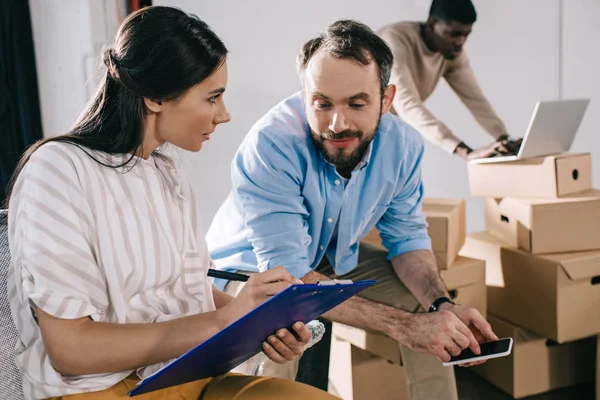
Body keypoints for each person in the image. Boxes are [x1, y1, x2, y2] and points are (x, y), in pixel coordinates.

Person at [5, 6, 341, 400]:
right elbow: (70, 350)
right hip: (101, 391)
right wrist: (224, 320)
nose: (224, 114)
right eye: (212, 97)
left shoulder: (167, 171)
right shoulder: (58, 169)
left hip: (186, 378)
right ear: (155, 96)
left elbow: (187, 289)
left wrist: (263, 319)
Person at [206, 19, 499, 400]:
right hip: (251, 269)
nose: (337, 123)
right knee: (283, 323)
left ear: (387, 99)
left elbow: (407, 240)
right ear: (306, 94)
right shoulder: (271, 144)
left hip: (328, 254)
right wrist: (405, 327)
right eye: (322, 104)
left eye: (357, 104)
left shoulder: (404, 147)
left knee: (429, 313)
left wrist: (442, 305)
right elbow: (288, 276)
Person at [377, 0, 521, 159]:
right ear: (432, 25)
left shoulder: (451, 52)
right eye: (453, 34)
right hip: (360, 129)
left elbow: (475, 99)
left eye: (466, 35)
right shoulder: (394, 40)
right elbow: (408, 105)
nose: (460, 42)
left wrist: (504, 138)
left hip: (390, 128)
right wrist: (465, 152)